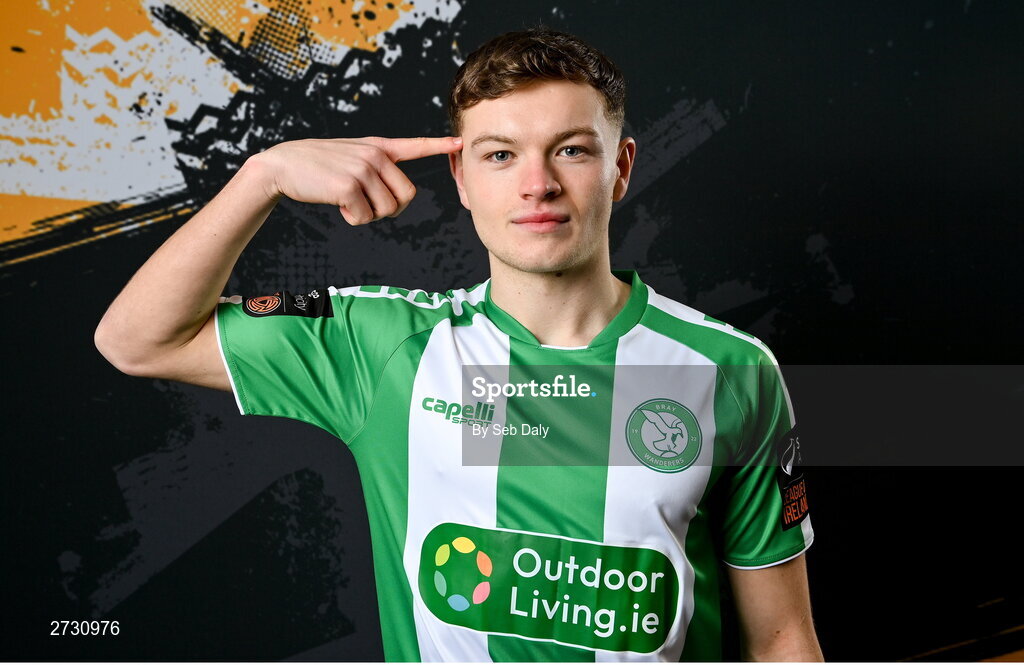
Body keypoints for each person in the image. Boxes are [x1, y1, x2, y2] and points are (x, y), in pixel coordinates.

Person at [95, 27, 822, 662]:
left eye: (571, 150)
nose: (537, 184)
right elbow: (138, 341)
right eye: (500, 155)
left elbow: (781, 641)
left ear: (621, 167)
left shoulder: (732, 371)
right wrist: (263, 176)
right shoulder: (383, 348)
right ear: (462, 177)